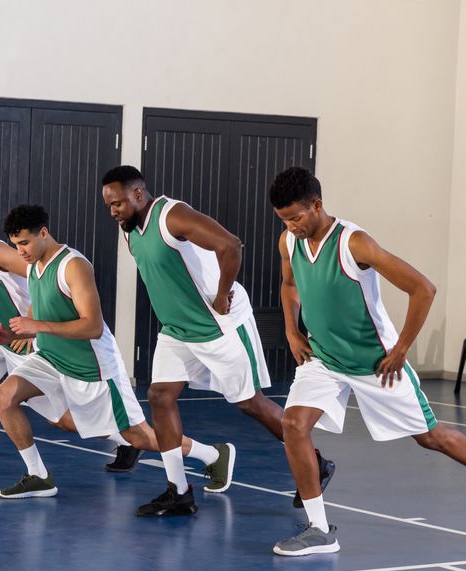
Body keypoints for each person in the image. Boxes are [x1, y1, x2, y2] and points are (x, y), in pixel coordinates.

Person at [269, 166, 466, 556]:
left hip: (376, 363)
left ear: (317, 205)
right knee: (293, 425)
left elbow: (423, 288)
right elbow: (289, 284)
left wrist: (401, 349)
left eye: (296, 217)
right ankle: (320, 529)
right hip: (324, 358)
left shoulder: (354, 244)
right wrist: (291, 330)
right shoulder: (290, 242)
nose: (290, 225)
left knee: (429, 437)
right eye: (283, 219)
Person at [100, 165, 334, 514]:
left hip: (218, 327)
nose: (114, 211)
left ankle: (315, 462)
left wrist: (222, 293)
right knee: (160, 396)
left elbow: (229, 245)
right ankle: (178, 491)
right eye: (109, 206)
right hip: (177, 331)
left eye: (118, 203)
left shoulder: (171, 215)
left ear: (138, 194)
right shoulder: (130, 230)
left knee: (249, 404)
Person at [0, 204, 232, 512]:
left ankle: (212, 454)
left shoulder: (73, 266)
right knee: (4, 395)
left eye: (24, 243)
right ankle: (38, 476)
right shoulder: (35, 266)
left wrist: (36, 326)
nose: (19, 251)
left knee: (139, 436)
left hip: (94, 367)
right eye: (15, 245)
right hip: (52, 358)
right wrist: (17, 335)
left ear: (44, 233)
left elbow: (91, 325)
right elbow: (39, 313)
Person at [0, 208, 141, 476]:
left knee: (61, 421)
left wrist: (30, 322)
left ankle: (125, 437)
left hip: (22, 337)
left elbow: (39, 272)